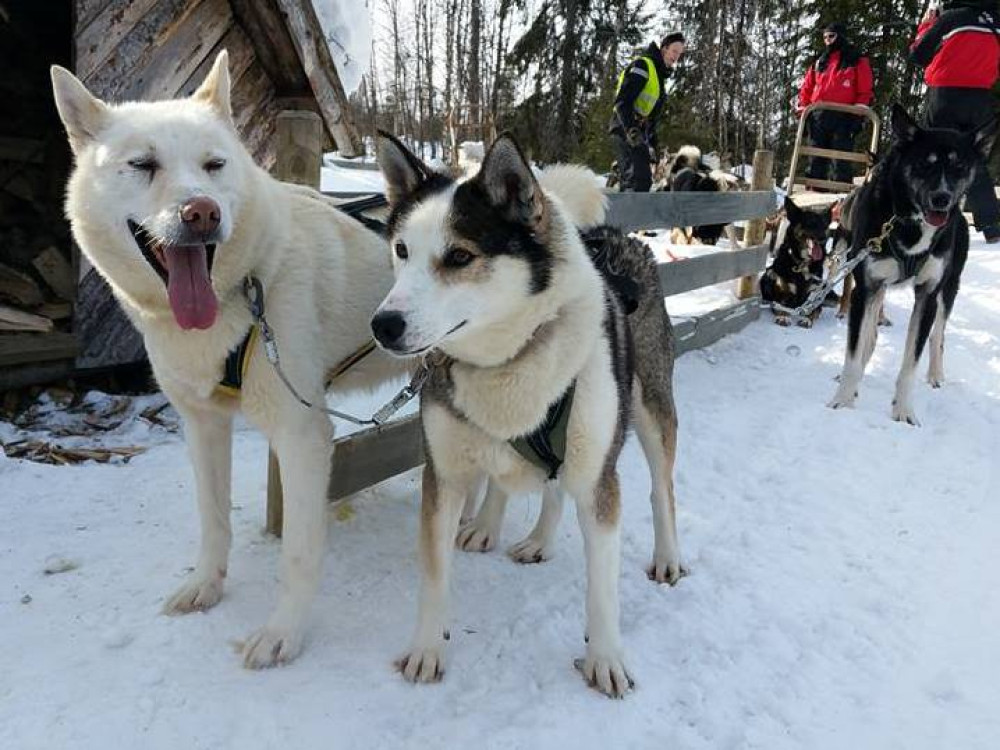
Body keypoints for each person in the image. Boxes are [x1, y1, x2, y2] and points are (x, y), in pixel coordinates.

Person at [911, 0, 1000, 243]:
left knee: (934, 157)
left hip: (945, 95)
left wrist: (928, 24)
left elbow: (919, 54)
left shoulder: (951, 19)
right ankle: (991, 223)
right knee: (974, 159)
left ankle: (930, 217)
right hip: (981, 97)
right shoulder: (995, 22)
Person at [796, 22, 873, 187]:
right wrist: (804, 109)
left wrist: (858, 114)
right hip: (818, 115)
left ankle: (840, 194)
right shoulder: (820, 61)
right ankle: (814, 190)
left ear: (841, 36)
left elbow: (865, 90)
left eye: (831, 36)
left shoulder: (856, 60)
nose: (828, 41)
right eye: (824, 37)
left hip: (844, 115)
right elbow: (807, 88)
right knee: (816, 158)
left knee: (841, 159)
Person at [609, 32, 685, 192]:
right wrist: (631, 130)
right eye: (674, 51)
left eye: (679, 54)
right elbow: (622, 101)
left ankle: (630, 213)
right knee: (636, 178)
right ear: (664, 49)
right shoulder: (643, 66)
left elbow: (651, 118)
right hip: (624, 126)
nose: (676, 57)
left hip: (637, 132)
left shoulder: (659, 77)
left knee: (642, 180)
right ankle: (629, 214)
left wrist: (654, 145)